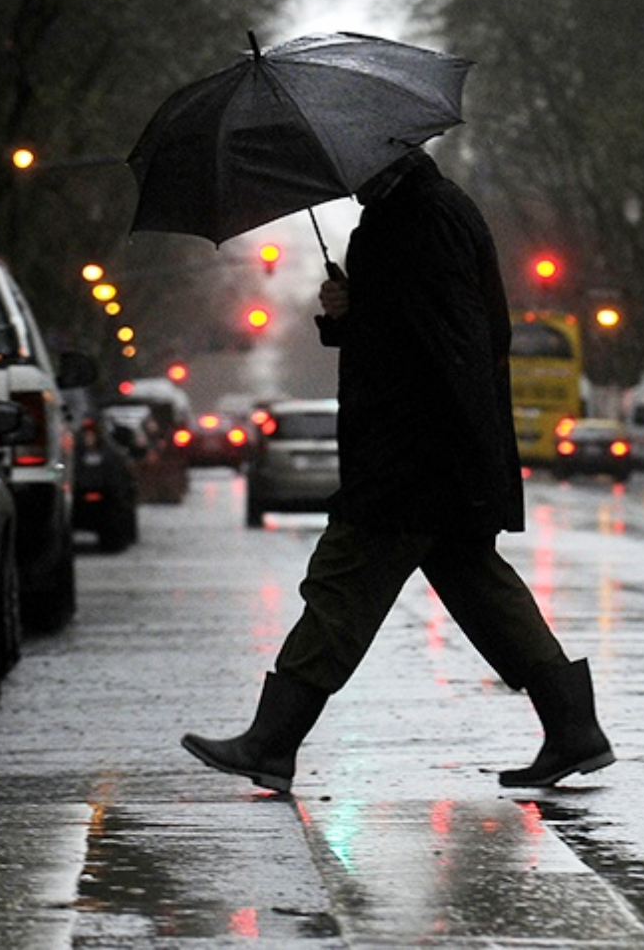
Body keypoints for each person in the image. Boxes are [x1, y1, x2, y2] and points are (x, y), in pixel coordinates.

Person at [181, 146, 613, 793]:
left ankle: (273, 740)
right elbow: (413, 328)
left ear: (381, 158)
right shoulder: (418, 211)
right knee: (482, 591)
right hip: (436, 453)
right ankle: (573, 727)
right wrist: (348, 315)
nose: (345, 178)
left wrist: (443, 441)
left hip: (412, 454)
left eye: (351, 165)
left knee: (340, 585)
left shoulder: (420, 216)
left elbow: (452, 341)